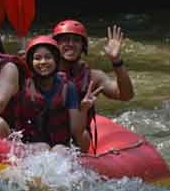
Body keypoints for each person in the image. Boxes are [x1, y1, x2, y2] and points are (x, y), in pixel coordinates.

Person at [52, 20, 132, 151]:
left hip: (78, 140)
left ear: (83, 46)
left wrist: (116, 61)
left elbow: (126, 95)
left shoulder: (94, 77)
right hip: (48, 133)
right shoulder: (44, 73)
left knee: (82, 135)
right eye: (65, 40)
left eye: (76, 41)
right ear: (55, 45)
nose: (70, 44)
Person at [15, 36, 101, 153]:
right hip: (32, 144)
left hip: (60, 145)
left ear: (56, 60)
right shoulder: (23, 84)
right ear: (31, 62)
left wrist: (84, 109)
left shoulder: (68, 87)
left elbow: (76, 132)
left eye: (48, 57)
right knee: (42, 147)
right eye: (37, 58)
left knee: (59, 149)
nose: (43, 62)